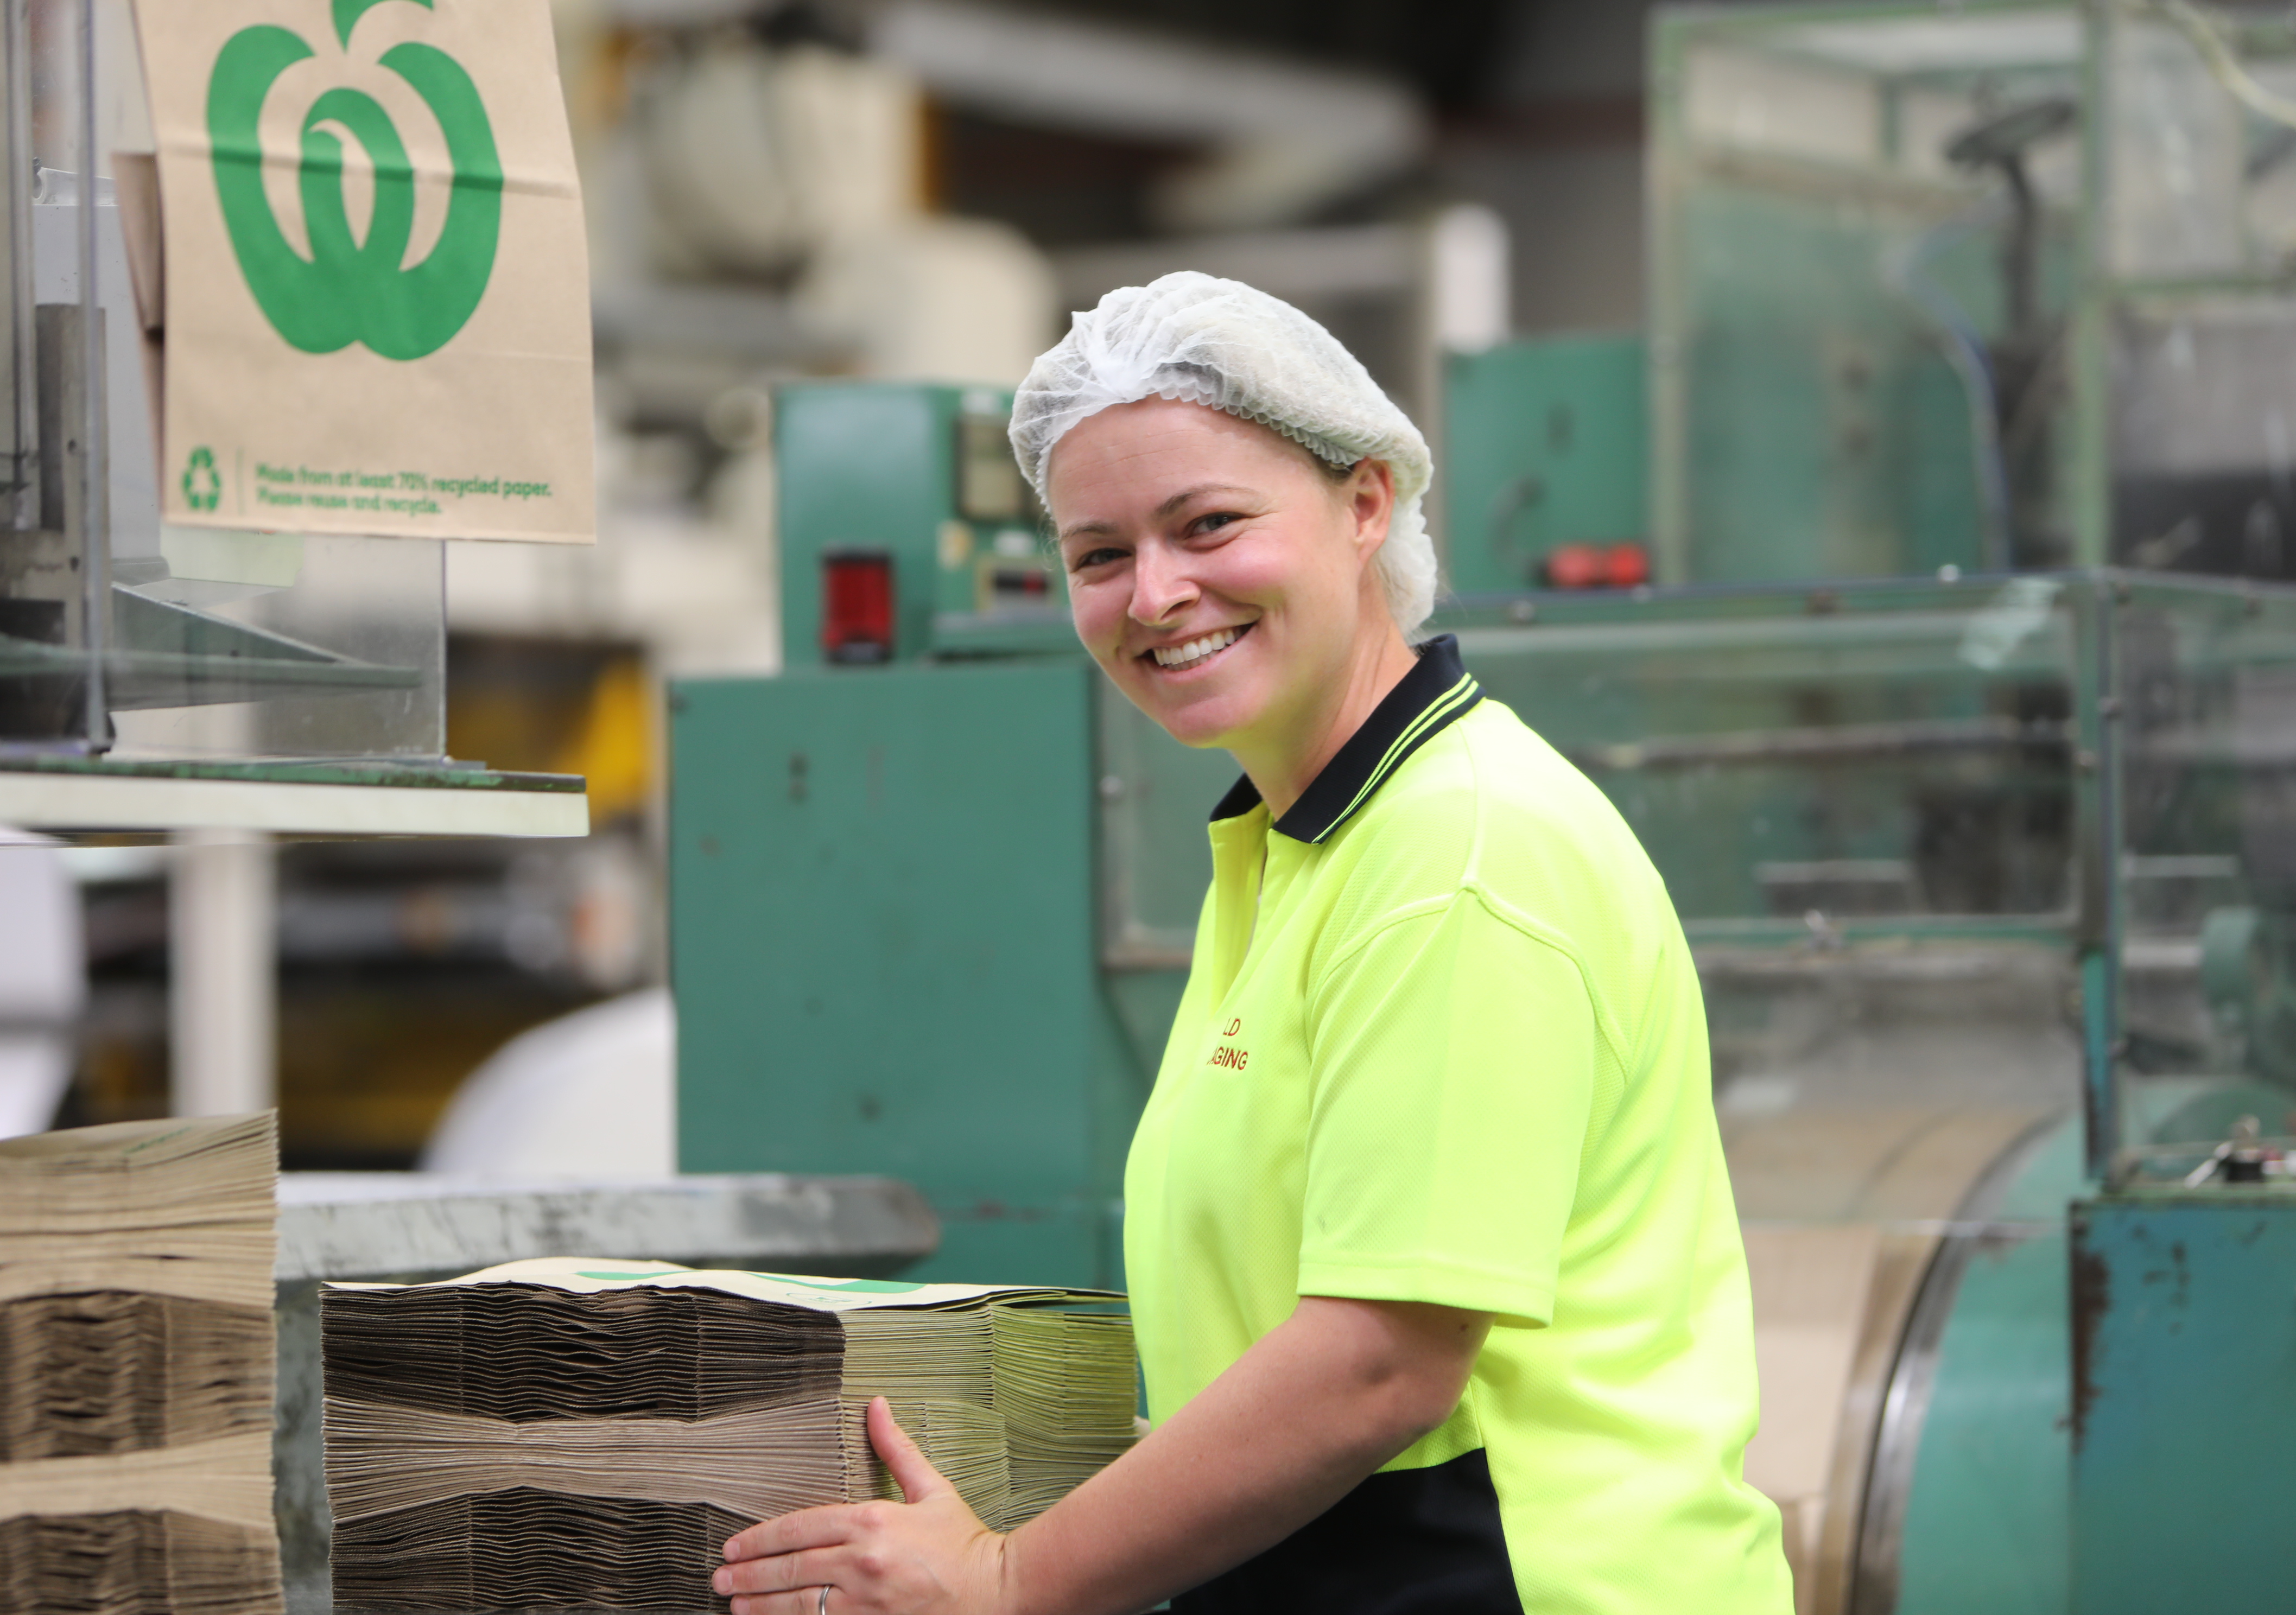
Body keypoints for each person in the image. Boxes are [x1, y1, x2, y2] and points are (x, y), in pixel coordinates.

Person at [711, 272, 1792, 1614]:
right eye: (1099, 554)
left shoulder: (1456, 856)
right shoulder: (1303, 850)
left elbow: (1382, 1359)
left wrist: (1007, 1581)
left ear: (1364, 503)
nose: (1155, 594)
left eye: (1208, 524)